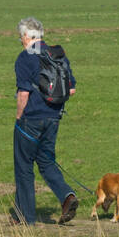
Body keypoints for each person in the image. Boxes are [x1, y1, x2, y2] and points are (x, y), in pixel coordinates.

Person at [11, 17, 78, 225]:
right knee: (47, 161)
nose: (20, 40)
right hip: (54, 118)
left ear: (26, 36)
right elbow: (72, 89)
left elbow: (23, 94)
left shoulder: (24, 58)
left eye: (20, 37)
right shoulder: (57, 55)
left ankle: (26, 218)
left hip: (30, 120)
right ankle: (67, 196)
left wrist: (18, 117)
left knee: (23, 167)